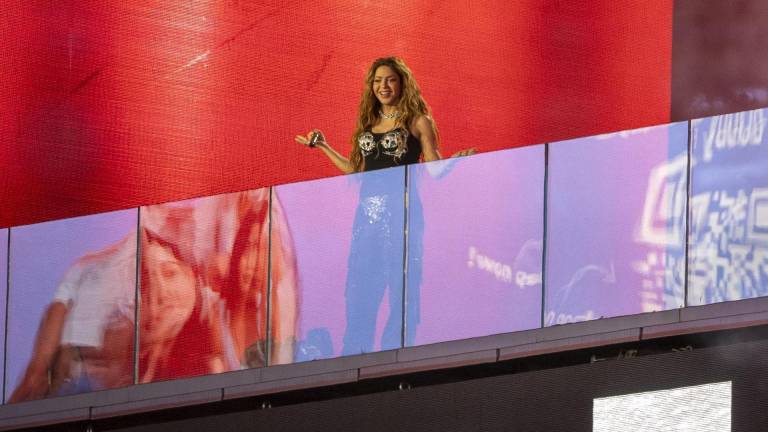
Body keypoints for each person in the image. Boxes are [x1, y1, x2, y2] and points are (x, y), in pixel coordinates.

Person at [296, 56, 474, 354]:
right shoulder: (368, 123)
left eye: (390, 79)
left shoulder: (418, 121)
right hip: (366, 216)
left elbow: (433, 169)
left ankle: (397, 353)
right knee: (360, 285)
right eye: (378, 81)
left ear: (402, 82)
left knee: (401, 284)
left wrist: (457, 161)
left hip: (401, 213)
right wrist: (324, 146)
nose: (383, 86)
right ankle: (356, 352)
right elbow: (357, 170)